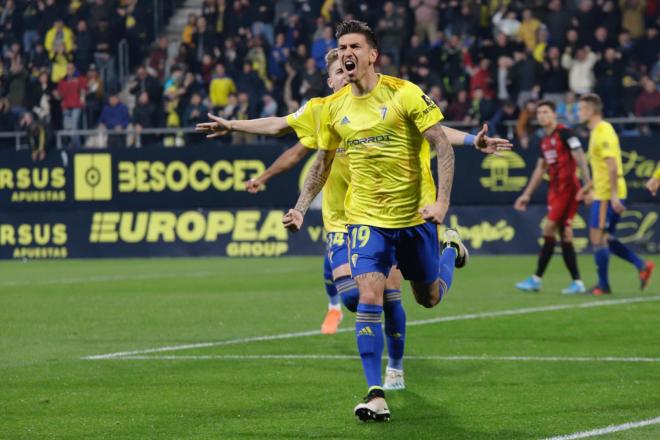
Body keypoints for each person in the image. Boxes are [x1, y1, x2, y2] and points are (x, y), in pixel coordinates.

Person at [196, 46, 511, 396]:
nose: (345, 75)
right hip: (341, 222)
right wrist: (232, 125)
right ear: (329, 79)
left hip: (390, 215)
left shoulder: (389, 100)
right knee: (353, 298)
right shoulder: (324, 112)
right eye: (338, 72)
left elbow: (436, 131)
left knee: (406, 295)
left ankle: (394, 366)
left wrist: (471, 140)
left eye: (349, 68)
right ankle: (377, 380)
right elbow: (282, 129)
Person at [279, 20, 505, 422]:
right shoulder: (333, 107)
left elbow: (439, 144)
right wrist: (300, 206)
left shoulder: (404, 93)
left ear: (372, 55)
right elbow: (321, 164)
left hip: (414, 217)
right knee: (367, 297)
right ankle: (375, 392)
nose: (346, 52)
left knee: (429, 297)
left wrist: (442, 203)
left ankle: (449, 249)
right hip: (366, 220)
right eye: (341, 46)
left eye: (354, 46)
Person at [577, 94, 655, 295]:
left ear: (591, 110)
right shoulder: (596, 132)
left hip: (606, 196)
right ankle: (641, 265)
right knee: (606, 238)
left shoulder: (603, 131)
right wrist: (586, 189)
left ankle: (603, 285)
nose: (578, 113)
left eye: (581, 109)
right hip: (604, 193)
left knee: (598, 238)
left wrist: (612, 196)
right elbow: (602, 169)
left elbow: (612, 167)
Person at [514, 100, 592, 294]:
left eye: (546, 112)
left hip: (568, 190)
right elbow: (540, 169)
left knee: (549, 228)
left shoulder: (566, 133)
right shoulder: (544, 140)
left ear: (554, 115)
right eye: (539, 113)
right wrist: (527, 194)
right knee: (565, 234)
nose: (542, 116)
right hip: (554, 192)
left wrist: (589, 185)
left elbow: (580, 156)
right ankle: (577, 282)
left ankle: (536, 278)